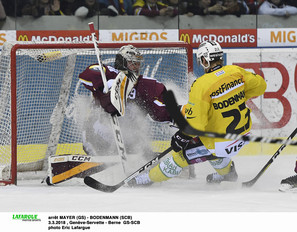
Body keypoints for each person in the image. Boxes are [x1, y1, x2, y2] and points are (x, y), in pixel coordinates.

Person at [128, 40, 267, 187]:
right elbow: (261, 87)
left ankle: (146, 180)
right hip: (243, 135)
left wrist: (181, 137)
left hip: (220, 143)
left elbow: (197, 124)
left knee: (180, 157)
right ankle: (229, 173)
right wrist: (236, 96)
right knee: (207, 147)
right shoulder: (235, 71)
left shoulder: (201, 84)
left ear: (204, 60)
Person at [46, 44, 177, 185]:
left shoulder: (145, 85)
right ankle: (102, 165)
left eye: (138, 63)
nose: (136, 67)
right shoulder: (107, 73)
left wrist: (179, 117)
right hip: (97, 137)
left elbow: (161, 112)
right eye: (132, 63)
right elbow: (85, 75)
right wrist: (109, 84)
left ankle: (127, 168)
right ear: (122, 62)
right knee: (107, 157)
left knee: (147, 157)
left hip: (127, 143)